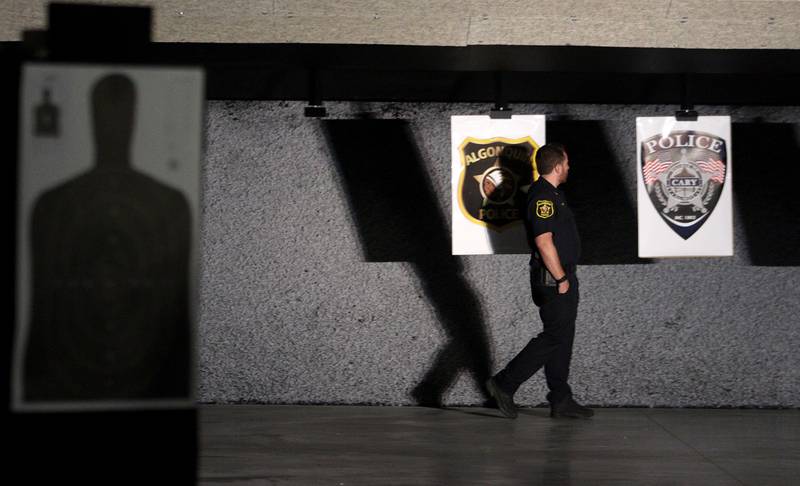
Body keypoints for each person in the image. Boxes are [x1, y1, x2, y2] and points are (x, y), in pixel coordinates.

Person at [485, 143, 594, 419]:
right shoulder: (543, 197)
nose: (569, 168)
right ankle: (504, 383)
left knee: (563, 337)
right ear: (557, 166)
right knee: (555, 335)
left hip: (563, 275)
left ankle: (561, 399)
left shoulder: (553, 195)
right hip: (553, 278)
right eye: (566, 163)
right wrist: (561, 278)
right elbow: (544, 242)